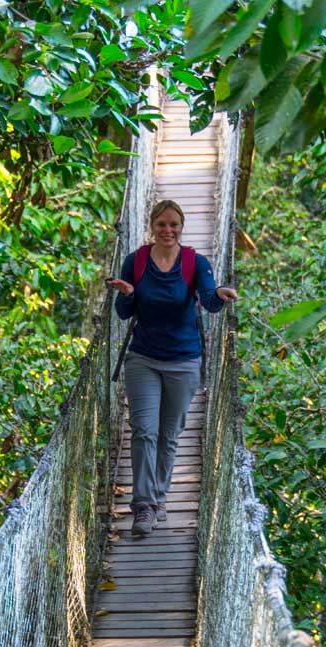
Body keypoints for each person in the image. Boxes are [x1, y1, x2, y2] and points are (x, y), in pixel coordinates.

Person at [107, 200, 239, 537]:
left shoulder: (196, 262)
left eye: (174, 225)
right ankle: (143, 506)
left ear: (182, 227)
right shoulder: (135, 261)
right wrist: (125, 294)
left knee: (168, 436)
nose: (168, 230)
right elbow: (125, 313)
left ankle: (159, 497)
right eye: (162, 224)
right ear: (152, 226)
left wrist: (221, 295)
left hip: (183, 360)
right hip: (144, 358)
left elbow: (207, 301)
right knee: (143, 432)